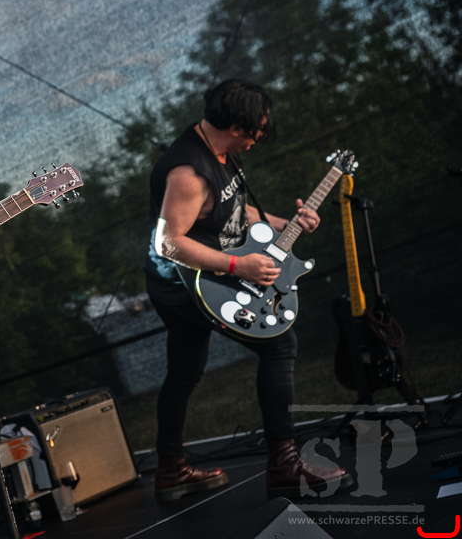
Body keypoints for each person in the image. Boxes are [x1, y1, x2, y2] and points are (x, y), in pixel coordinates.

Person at [144, 79, 351, 502]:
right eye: (258, 129)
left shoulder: (222, 150)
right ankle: (283, 465)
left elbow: (234, 209)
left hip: (206, 272)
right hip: (183, 281)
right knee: (279, 345)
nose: (261, 136)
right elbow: (168, 243)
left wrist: (283, 223)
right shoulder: (188, 173)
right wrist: (240, 265)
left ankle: (169, 471)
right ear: (237, 127)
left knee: (184, 371)